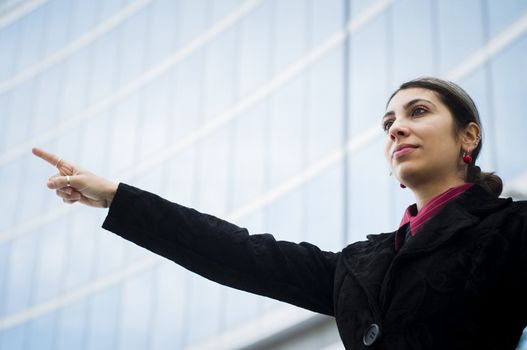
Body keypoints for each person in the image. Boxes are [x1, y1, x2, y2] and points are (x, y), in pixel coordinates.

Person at [33, 77, 527, 349]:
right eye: (387, 122)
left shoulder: (512, 229)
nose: (395, 129)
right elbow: (239, 253)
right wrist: (117, 196)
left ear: (468, 137)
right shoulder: (360, 265)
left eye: (417, 112)